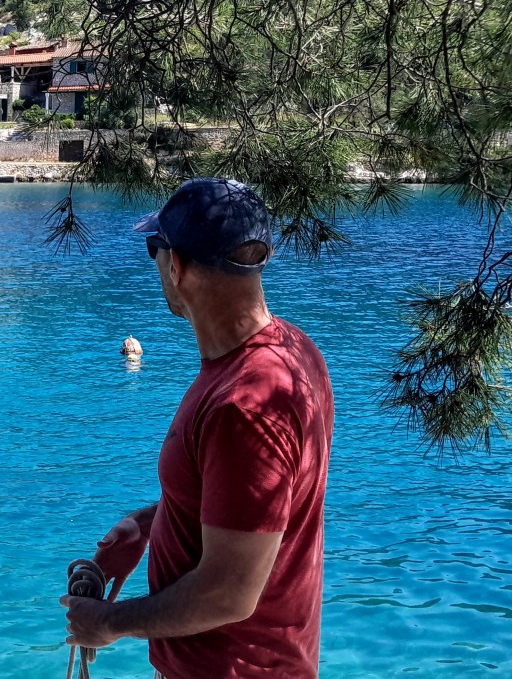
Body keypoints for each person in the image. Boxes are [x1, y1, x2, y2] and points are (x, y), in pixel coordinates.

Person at [60, 178, 335, 678]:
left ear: (177, 266)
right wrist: (150, 525)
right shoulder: (295, 351)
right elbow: (245, 505)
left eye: (154, 250)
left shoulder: (245, 407)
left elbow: (230, 593)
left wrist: (109, 623)